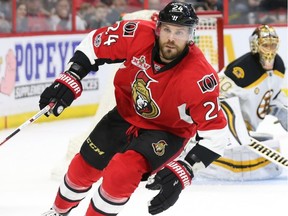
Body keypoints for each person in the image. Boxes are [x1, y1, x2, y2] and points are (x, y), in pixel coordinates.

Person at [40, 2, 229, 216]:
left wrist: (186, 168)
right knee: (81, 169)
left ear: (191, 36)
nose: (171, 38)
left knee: (121, 173)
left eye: (180, 32)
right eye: (166, 29)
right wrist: (72, 74)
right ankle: (57, 211)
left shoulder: (199, 77)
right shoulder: (137, 34)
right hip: (125, 114)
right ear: (157, 29)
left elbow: (217, 135)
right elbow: (94, 43)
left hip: (166, 131)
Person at [196, 24, 287, 181]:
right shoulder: (242, 69)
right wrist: (232, 127)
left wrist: (282, 111)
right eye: (265, 45)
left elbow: (274, 97)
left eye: (273, 45)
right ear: (255, 45)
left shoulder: (279, 66)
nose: (270, 50)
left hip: (249, 130)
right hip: (221, 132)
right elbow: (215, 96)